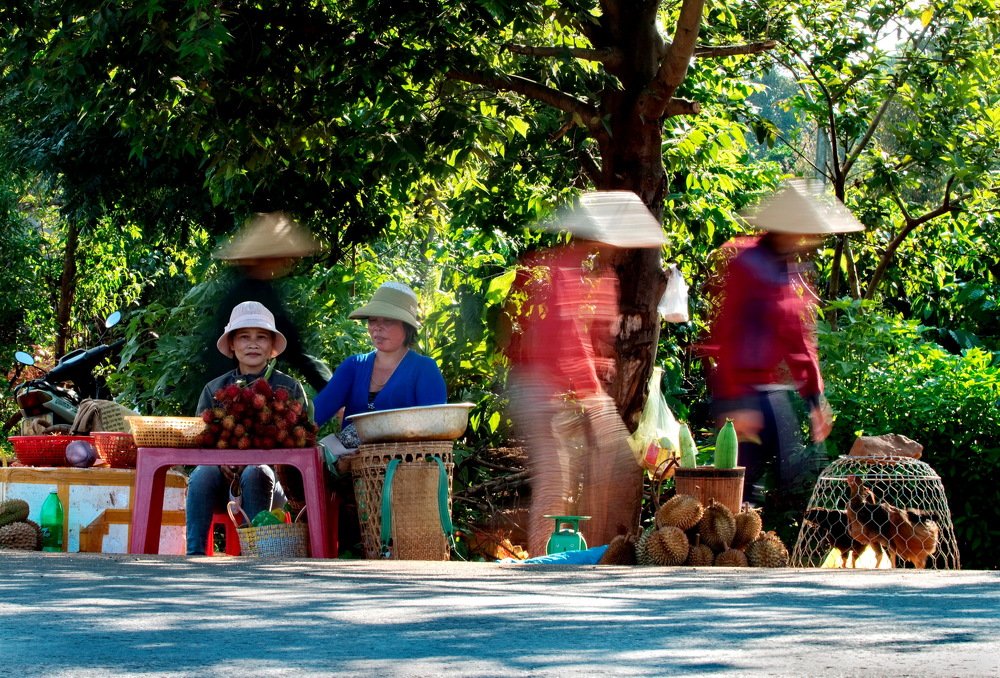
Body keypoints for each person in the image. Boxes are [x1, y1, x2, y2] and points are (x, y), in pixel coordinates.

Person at [500, 191, 667, 557]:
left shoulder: (603, 277)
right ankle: (545, 561)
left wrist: (597, 373)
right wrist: (592, 391)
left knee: (613, 467)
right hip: (538, 384)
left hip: (573, 387)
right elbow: (560, 341)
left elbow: (592, 341)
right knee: (555, 475)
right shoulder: (553, 271)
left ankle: (592, 554)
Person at [706, 180, 865, 507]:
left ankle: (763, 541)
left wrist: (815, 400)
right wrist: (736, 402)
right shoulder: (747, 263)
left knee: (792, 475)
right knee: (739, 485)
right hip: (741, 392)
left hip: (768, 391)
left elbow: (797, 338)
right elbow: (726, 332)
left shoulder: (786, 268)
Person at [185, 301, 308, 556]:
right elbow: (201, 442)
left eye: (261, 337)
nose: (253, 344)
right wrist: (223, 463)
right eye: (244, 337)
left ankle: (255, 555)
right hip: (220, 487)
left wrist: (257, 459)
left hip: (270, 484)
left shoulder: (290, 389)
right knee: (202, 473)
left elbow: (302, 443)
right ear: (231, 344)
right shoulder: (213, 390)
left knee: (256, 470)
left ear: (271, 345)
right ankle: (194, 554)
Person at [206, 211, 331, 393]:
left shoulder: (254, 289)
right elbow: (295, 351)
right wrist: (328, 390)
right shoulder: (255, 294)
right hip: (233, 390)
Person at [313, 281, 447, 440]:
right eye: (372, 320)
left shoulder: (424, 369)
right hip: (351, 464)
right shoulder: (353, 366)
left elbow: (436, 431)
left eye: (387, 320)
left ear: (407, 327)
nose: (377, 327)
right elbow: (313, 417)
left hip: (407, 463)